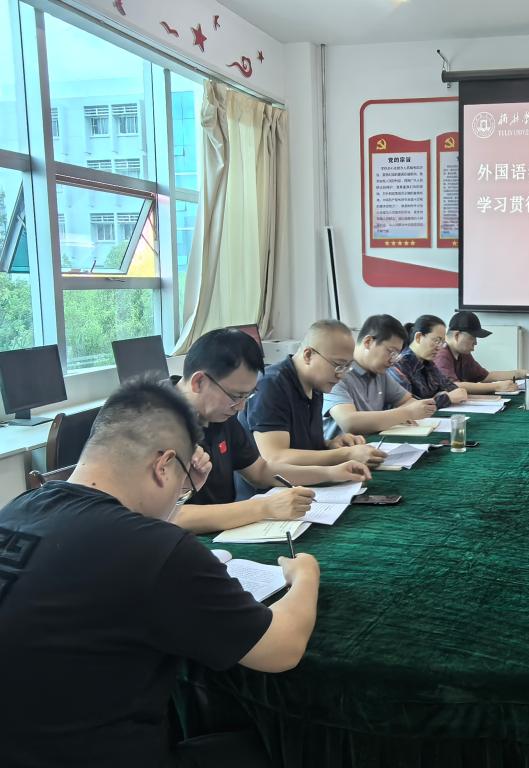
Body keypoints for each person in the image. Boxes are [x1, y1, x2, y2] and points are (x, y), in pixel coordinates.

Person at [0, 378, 320, 767]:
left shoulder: (20, 507)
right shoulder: (154, 550)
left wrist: (178, 494)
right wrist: (305, 575)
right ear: (163, 465)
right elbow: (281, 648)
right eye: (182, 482)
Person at [173, 328, 371, 534]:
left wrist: (331, 473)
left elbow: (260, 471)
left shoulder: (219, 414)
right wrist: (264, 507)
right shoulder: (159, 423)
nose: (241, 407)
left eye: (247, 396)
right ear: (199, 382)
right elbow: (170, 516)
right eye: (236, 396)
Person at [241, 319, 386, 468]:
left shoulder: (315, 385)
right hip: (274, 483)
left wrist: (329, 445)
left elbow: (300, 446)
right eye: (338, 365)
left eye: (347, 367)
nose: (341, 375)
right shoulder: (271, 386)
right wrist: (345, 454)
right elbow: (275, 458)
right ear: (308, 355)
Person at [323, 314, 439, 436]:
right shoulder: (339, 372)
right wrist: (406, 413)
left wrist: (405, 412)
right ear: (368, 342)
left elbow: (409, 401)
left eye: (396, 355)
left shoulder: (380, 373)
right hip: (345, 446)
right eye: (391, 352)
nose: (393, 360)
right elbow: (349, 422)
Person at [434, 310, 529, 395]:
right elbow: (453, 386)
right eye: (472, 337)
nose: (475, 342)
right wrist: (496, 386)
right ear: (457, 335)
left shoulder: (463, 354)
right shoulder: (441, 354)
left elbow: (486, 377)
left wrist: (518, 373)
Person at [389, 315, 469, 408]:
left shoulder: (428, 364)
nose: (439, 347)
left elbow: (452, 389)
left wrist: (442, 396)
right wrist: (446, 398)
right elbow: (410, 407)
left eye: (442, 343)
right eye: (437, 341)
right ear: (418, 337)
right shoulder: (399, 366)